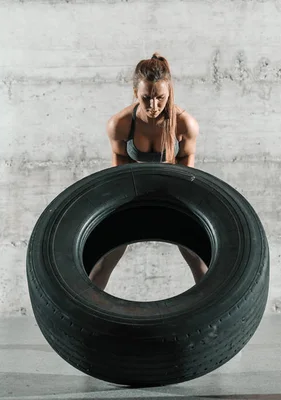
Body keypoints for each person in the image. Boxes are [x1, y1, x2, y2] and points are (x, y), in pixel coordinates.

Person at [88, 52, 208, 290]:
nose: (154, 105)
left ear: (169, 93)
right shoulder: (120, 125)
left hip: (173, 192)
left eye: (160, 98)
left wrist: (170, 206)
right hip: (133, 191)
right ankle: (86, 313)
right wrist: (132, 206)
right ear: (136, 93)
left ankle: (216, 315)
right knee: (107, 256)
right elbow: (119, 174)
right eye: (146, 98)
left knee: (195, 255)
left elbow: (186, 177)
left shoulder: (186, 125)